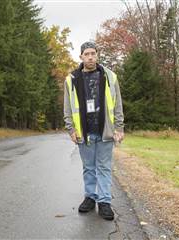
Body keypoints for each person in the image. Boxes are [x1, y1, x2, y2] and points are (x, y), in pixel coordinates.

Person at [63, 41, 124, 221]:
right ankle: (90, 197)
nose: (90, 56)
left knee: (103, 167)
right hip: (84, 131)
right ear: (81, 56)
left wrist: (119, 127)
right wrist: (71, 129)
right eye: (87, 53)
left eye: (93, 53)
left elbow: (118, 104)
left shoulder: (110, 77)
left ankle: (104, 202)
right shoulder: (71, 79)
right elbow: (67, 108)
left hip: (105, 130)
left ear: (97, 55)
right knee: (88, 167)